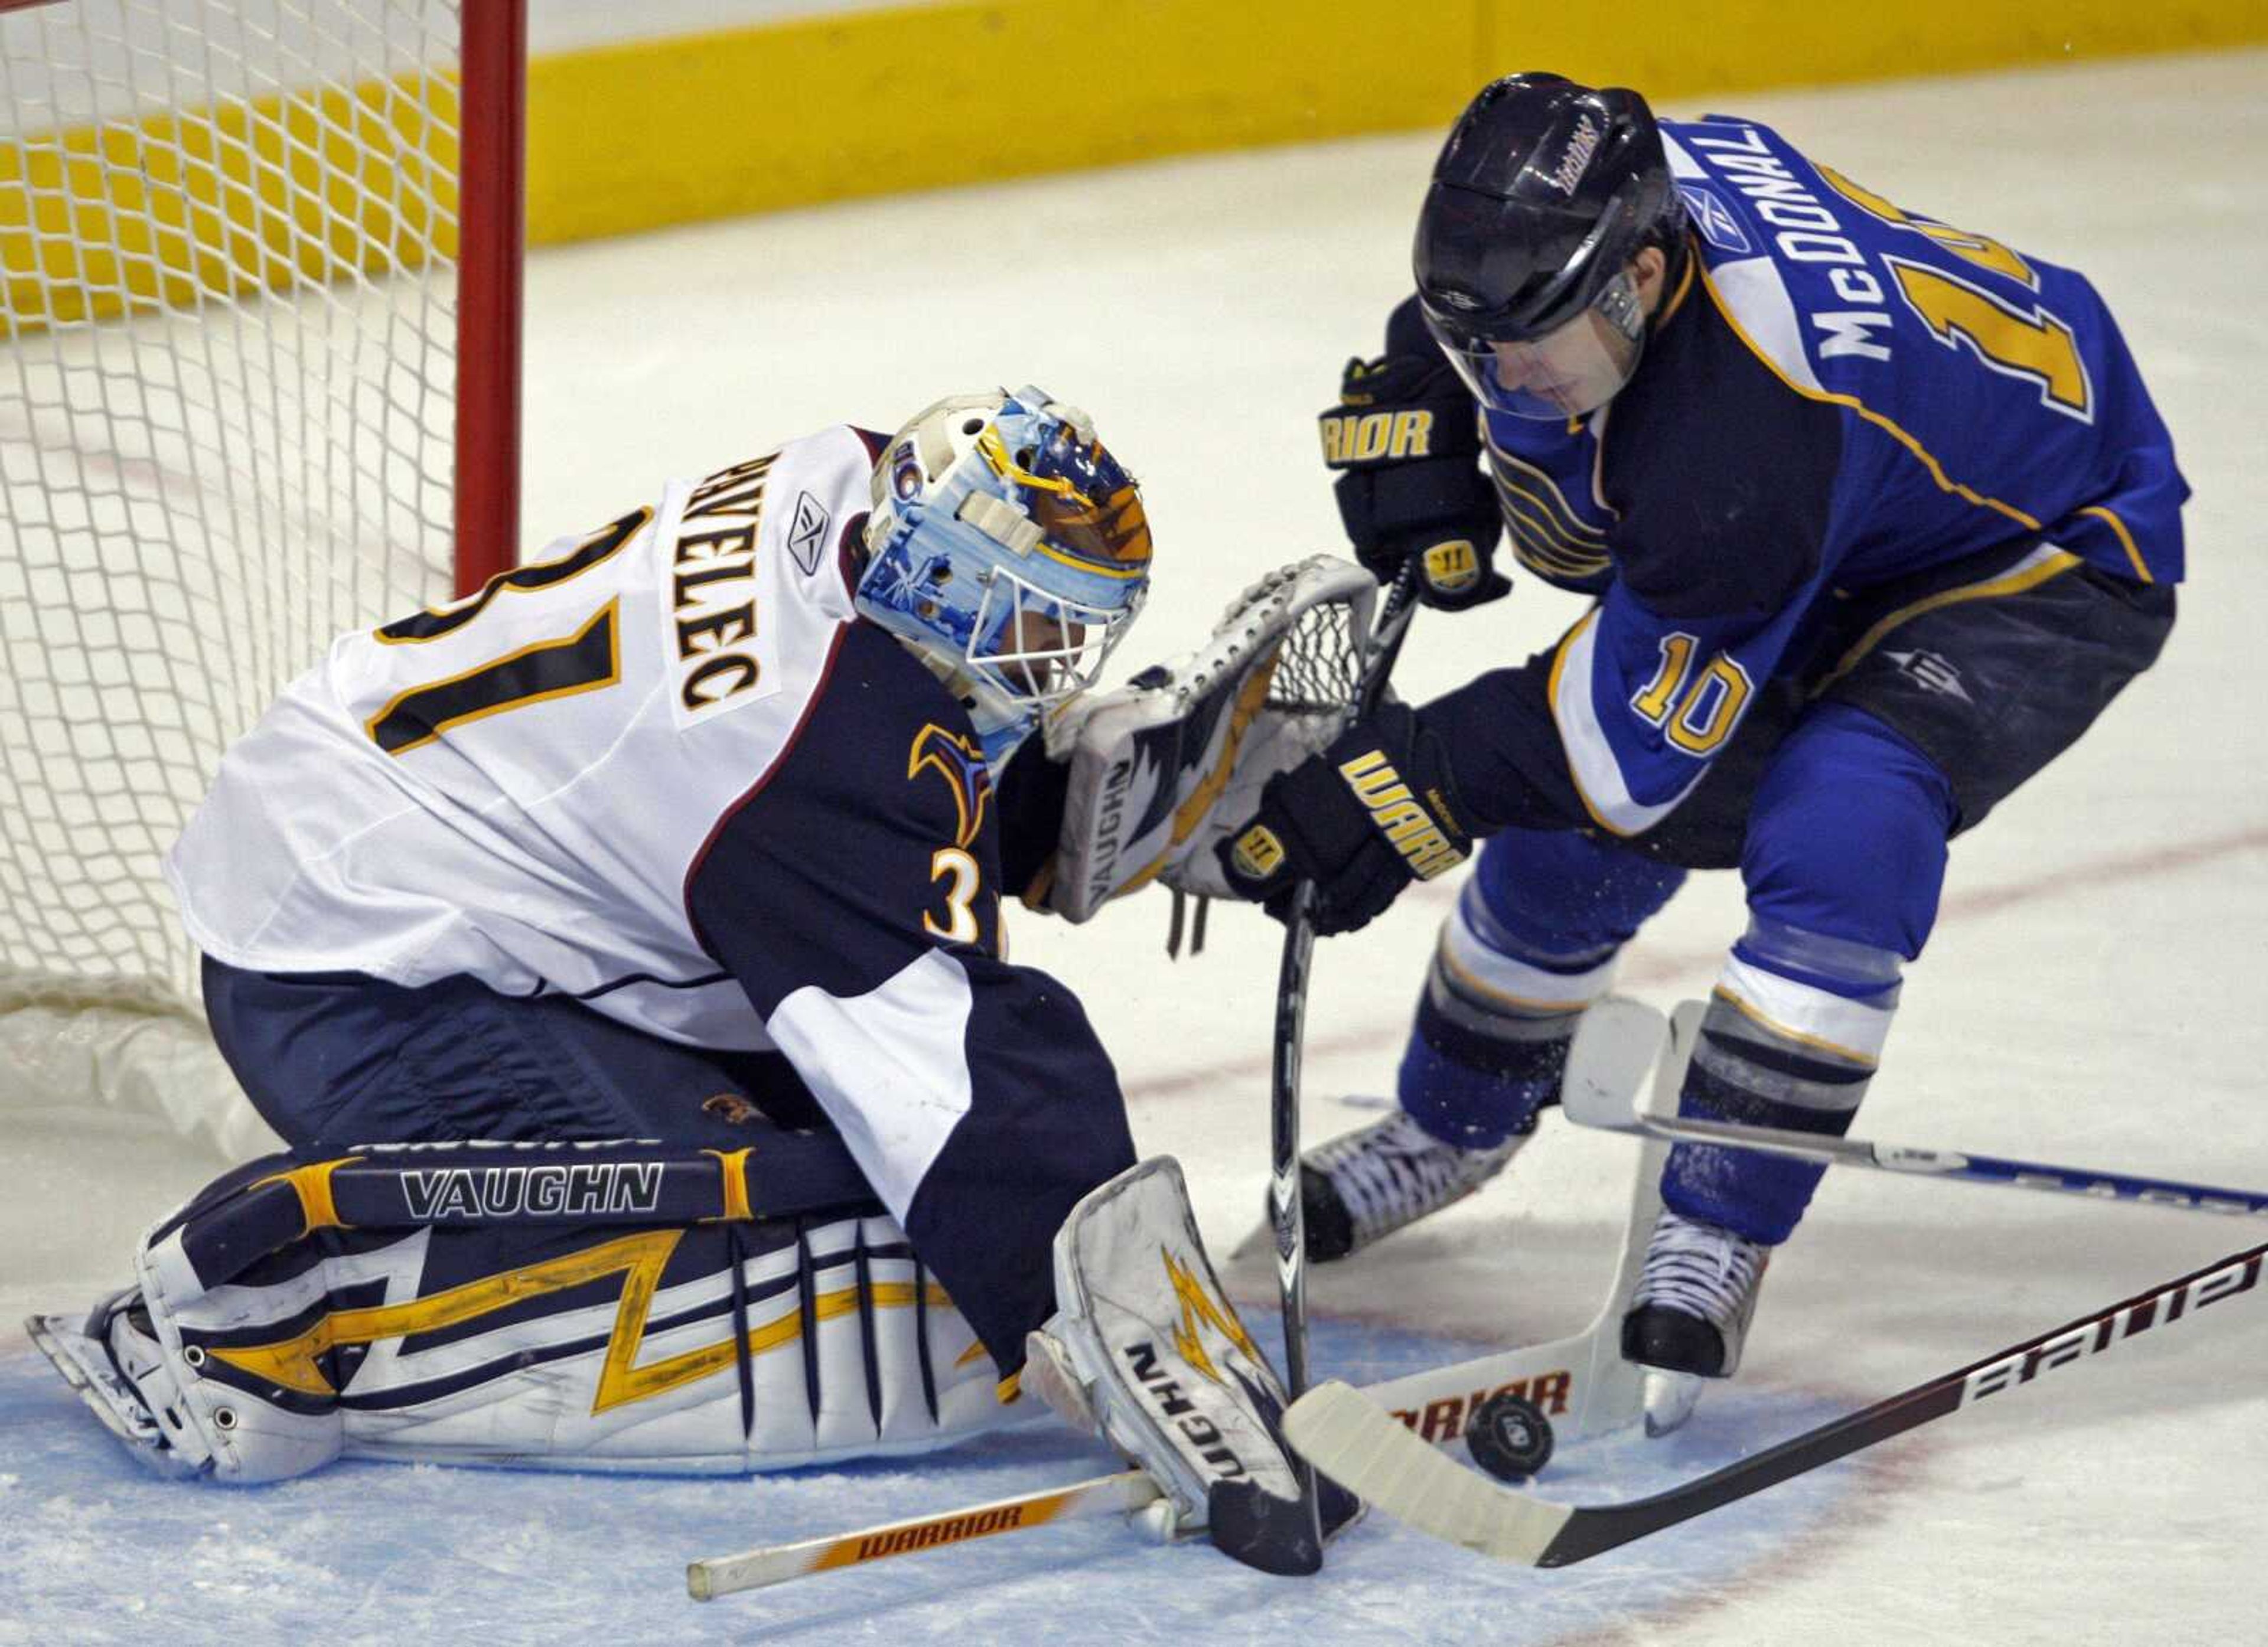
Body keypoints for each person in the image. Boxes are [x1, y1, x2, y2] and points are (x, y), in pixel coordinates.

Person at [31, 386, 1346, 1573]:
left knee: (872, 1196)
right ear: (945, 581)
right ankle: (253, 1324)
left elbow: (832, 788)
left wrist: (1033, 798)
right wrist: (1146, 1353)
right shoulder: (806, 753)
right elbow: (951, 1067)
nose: (1047, 662)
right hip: (358, 969)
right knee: (769, 1267)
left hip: (436, 862)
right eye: (1033, 627)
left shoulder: (859, 481)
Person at [1219, 74, 2184, 1421]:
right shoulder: (1607, 209)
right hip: (1871, 489)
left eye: (1529, 347)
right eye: (1475, 338)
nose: (1506, 378)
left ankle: (1718, 1225)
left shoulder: (1742, 443)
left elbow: (1623, 752)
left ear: (1648, 276)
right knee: (1568, 845)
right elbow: (1492, 307)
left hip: (2038, 549)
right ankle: (1452, 1127)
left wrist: (1410, 784)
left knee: (1841, 820)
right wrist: (1428, 385)